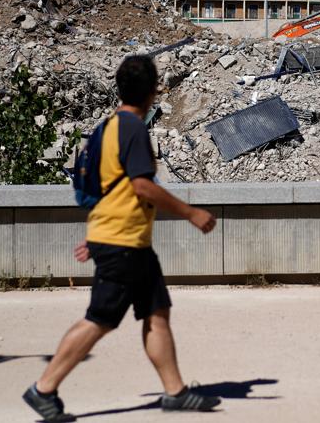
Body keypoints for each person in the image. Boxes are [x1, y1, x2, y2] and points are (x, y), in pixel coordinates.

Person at [23, 55, 220, 421]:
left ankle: (175, 392)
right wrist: (191, 213)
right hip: (123, 242)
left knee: (157, 313)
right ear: (151, 91)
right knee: (101, 318)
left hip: (126, 240)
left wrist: (96, 236)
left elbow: (103, 187)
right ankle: (44, 388)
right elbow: (141, 185)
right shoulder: (131, 128)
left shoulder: (108, 127)